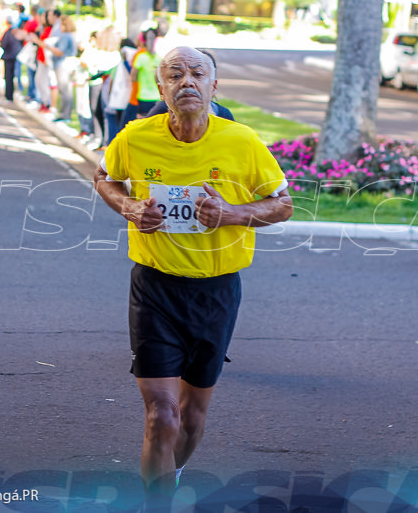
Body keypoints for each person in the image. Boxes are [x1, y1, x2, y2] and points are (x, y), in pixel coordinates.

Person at [93, 46, 292, 507]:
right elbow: (104, 176)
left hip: (216, 291)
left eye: (197, 73)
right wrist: (128, 206)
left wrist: (233, 213)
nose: (187, 81)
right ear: (160, 88)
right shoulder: (134, 137)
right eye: (175, 74)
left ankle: (173, 472)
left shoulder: (241, 142)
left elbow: (283, 204)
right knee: (161, 417)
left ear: (213, 86)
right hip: (155, 288)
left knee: (191, 417)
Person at [122, 25, 161, 125]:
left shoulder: (141, 56)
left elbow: (133, 76)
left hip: (143, 96)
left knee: (142, 124)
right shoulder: (159, 58)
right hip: (157, 97)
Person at [0, 22, 25, 102]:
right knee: (12, 76)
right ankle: (10, 95)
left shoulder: (9, 33)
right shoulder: (17, 34)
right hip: (15, 56)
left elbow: (3, 44)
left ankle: (9, 96)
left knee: (9, 77)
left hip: (10, 57)